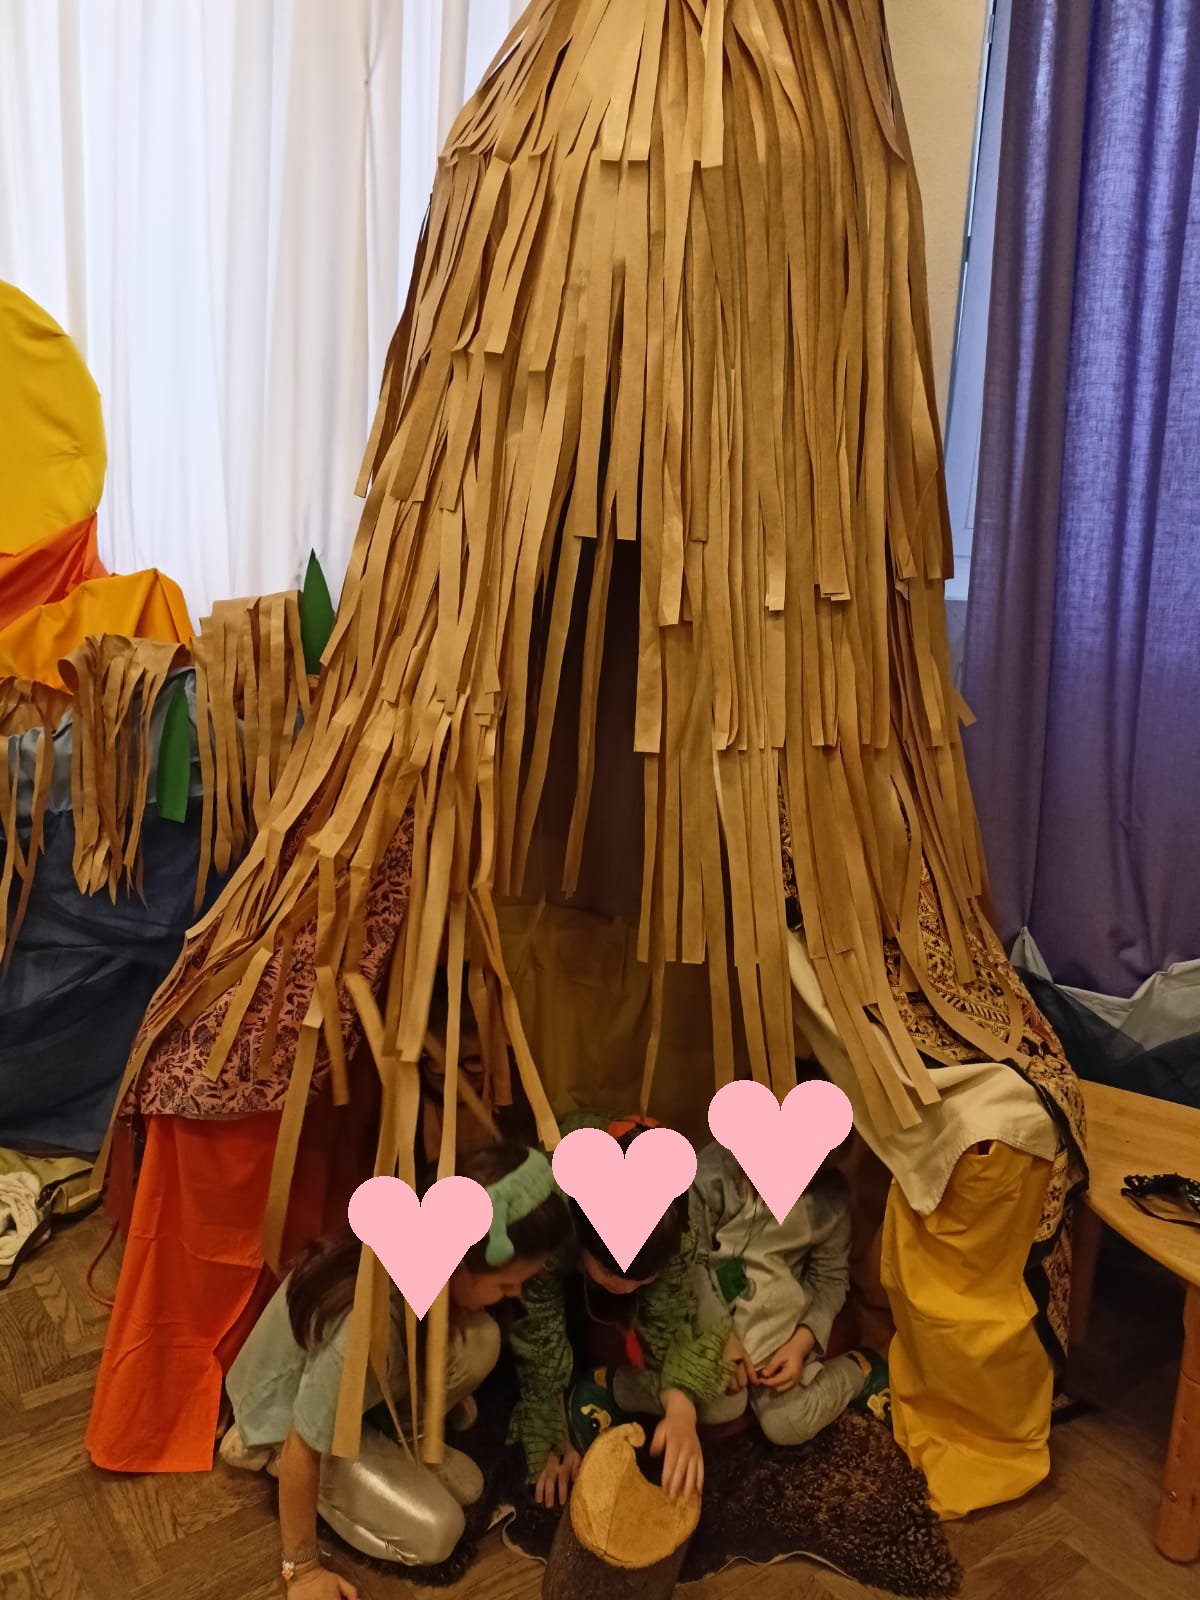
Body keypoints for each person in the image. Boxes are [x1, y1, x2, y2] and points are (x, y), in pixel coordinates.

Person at [220, 1141, 571, 1596]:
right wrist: (301, 1569)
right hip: (291, 1426)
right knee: (438, 1533)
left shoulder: (427, 1263)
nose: (515, 1295)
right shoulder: (361, 1326)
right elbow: (302, 1447)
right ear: (459, 1264)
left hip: (365, 1393)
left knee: (483, 1339)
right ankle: (258, 1449)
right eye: (505, 1285)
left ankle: (396, 1433)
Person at [510, 1114, 732, 1511]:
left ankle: (606, 1380)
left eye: (642, 1279)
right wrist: (550, 1434)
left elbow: (669, 1319)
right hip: (556, 1247)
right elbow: (538, 1334)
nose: (627, 1287)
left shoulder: (677, 1232)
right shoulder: (550, 1224)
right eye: (612, 1274)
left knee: (719, 1401)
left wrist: (681, 1407)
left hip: (623, 1276)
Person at [688, 1108, 889, 1448]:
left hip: (777, 1325)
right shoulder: (710, 1177)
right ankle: (614, 1387)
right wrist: (719, 1335)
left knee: (788, 1424)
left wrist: (801, 1343)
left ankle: (863, 1368)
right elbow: (691, 1261)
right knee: (716, 1404)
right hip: (713, 1317)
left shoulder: (828, 1199)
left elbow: (830, 1279)